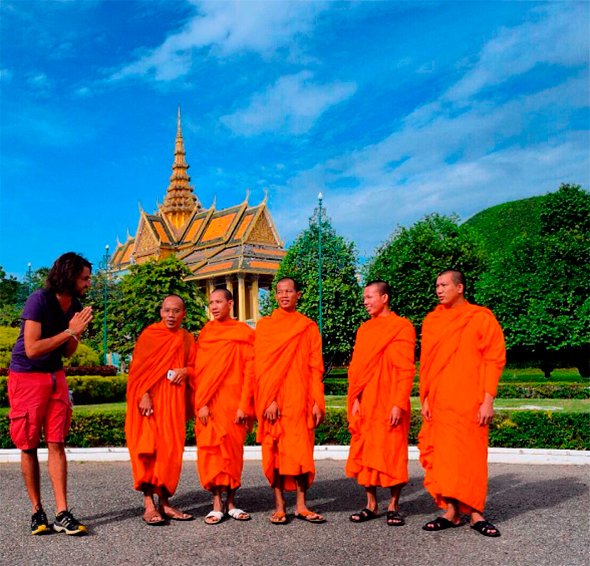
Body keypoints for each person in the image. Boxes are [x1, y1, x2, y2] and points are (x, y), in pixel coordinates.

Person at [8, 252, 93, 535]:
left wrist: (77, 332)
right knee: (29, 444)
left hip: (55, 376)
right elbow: (31, 349)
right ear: (69, 276)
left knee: (56, 441)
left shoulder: (75, 305)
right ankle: (37, 512)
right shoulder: (39, 300)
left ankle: (62, 512)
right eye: (84, 278)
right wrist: (70, 330)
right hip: (26, 376)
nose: (88, 284)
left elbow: (67, 352)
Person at [418, 270, 505, 537]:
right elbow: (428, 364)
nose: (439, 290)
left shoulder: (480, 318)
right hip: (441, 403)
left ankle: (476, 513)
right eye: (436, 286)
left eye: (444, 285)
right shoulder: (432, 321)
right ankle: (452, 511)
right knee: (445, 459)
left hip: (471, 401)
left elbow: (494, 359)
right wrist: (427, 397)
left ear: (460, 287)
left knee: (472, 458)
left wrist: (488, 401)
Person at [254, 277, 326, 524]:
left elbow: (316, 367)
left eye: (289, 291)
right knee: (274, 454)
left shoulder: (308, 327)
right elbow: (261, 368)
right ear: (275, 296)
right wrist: (269, 400)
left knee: (301, 454)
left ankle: (302, 505)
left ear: (298, 295)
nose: (284, 295)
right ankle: (279, 506)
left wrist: (317, 400)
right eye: (280, 292)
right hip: (274, 402)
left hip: (300, 400)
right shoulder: (265, 327)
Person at [346, 280, 415, 526]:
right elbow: (356, 368)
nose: (365, 302)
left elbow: (405, 368)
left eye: (370, 297)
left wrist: (398, 402)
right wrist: (354, 399)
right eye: (364, 298)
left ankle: (394, 505)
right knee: (366, 452)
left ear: (384, 298)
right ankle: (371, 505)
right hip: (367, 402)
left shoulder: (401, 327)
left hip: (389, 401)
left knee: (393, 452)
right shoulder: (364, 330)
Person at [125, 295, 195, 526]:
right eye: (167, 311)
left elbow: (196, 367)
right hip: (149, 404)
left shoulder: (186, 339)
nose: (171, 315)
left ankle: (164, 503)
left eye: (176, 311)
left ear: (183, 313)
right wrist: (143, 394)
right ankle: (148, 504)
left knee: (169, 451)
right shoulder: (149, 335)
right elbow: (137, 370)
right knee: (148, 450)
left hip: (173, 403)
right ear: (160, 312)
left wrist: (186, 370)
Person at [193, 288, 255, 524]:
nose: (214, 306)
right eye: (211, 303)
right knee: (212, 452)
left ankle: (231, 502)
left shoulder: (243, 333)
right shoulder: (206, 334)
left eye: (219, 301)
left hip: (234, 402)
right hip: (210, 404)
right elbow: (200, 372)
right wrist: (203, 403)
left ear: (230, 303)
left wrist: (244, 405)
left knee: (232, 454)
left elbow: (250, 371)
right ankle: (216, 503)